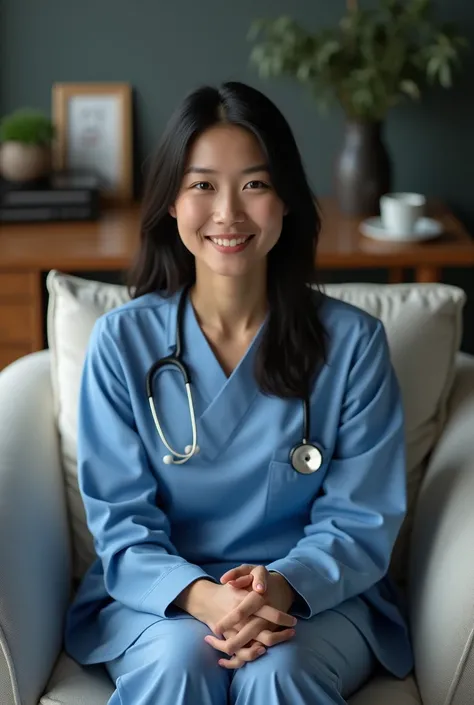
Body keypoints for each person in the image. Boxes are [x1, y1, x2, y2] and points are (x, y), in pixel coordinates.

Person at [64, 81, 414, 705]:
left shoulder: (354, 345)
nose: (228, 213)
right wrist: (207, 598)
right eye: (202, 185)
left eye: (254, 184)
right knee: (180, 662)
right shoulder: (122, 342)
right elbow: (120, 522)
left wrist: (276, 588)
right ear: (171, 203)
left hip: (316, 598)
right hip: (160, 599)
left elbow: (362, 519)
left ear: (286, 202)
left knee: (280, 670)